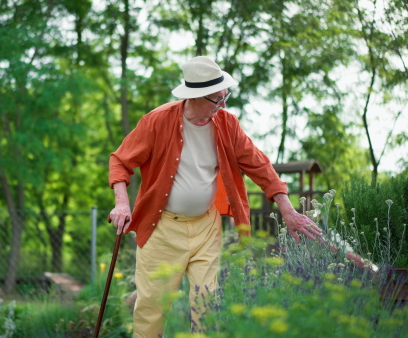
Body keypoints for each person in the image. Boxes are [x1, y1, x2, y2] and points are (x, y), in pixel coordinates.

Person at [108, 56, 323, 337]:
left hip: (206, 228)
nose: (224, 105)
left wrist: (288, 210)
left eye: (225, 97)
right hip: (161, 230)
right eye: (217, 100)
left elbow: (260, 166)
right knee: (151, 310)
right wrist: (122, 203)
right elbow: (120, 161)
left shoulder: (227, 124)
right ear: (196, 97)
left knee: (206, 307)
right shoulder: (156, 121)